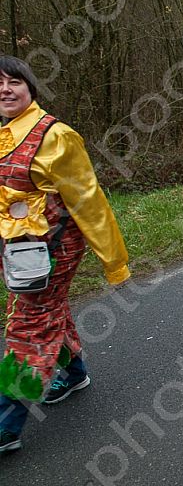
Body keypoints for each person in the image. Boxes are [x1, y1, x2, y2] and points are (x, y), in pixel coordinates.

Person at [0, 56, 130, 453]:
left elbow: (89, 200)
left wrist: (114, 261)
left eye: (13, 82)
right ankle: (74, 373)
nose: (4, 89)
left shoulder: (56, 136)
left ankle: (6, 423)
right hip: (16, 246)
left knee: (28, 325)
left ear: (31, 88)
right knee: (46, 308)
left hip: (53, 246)